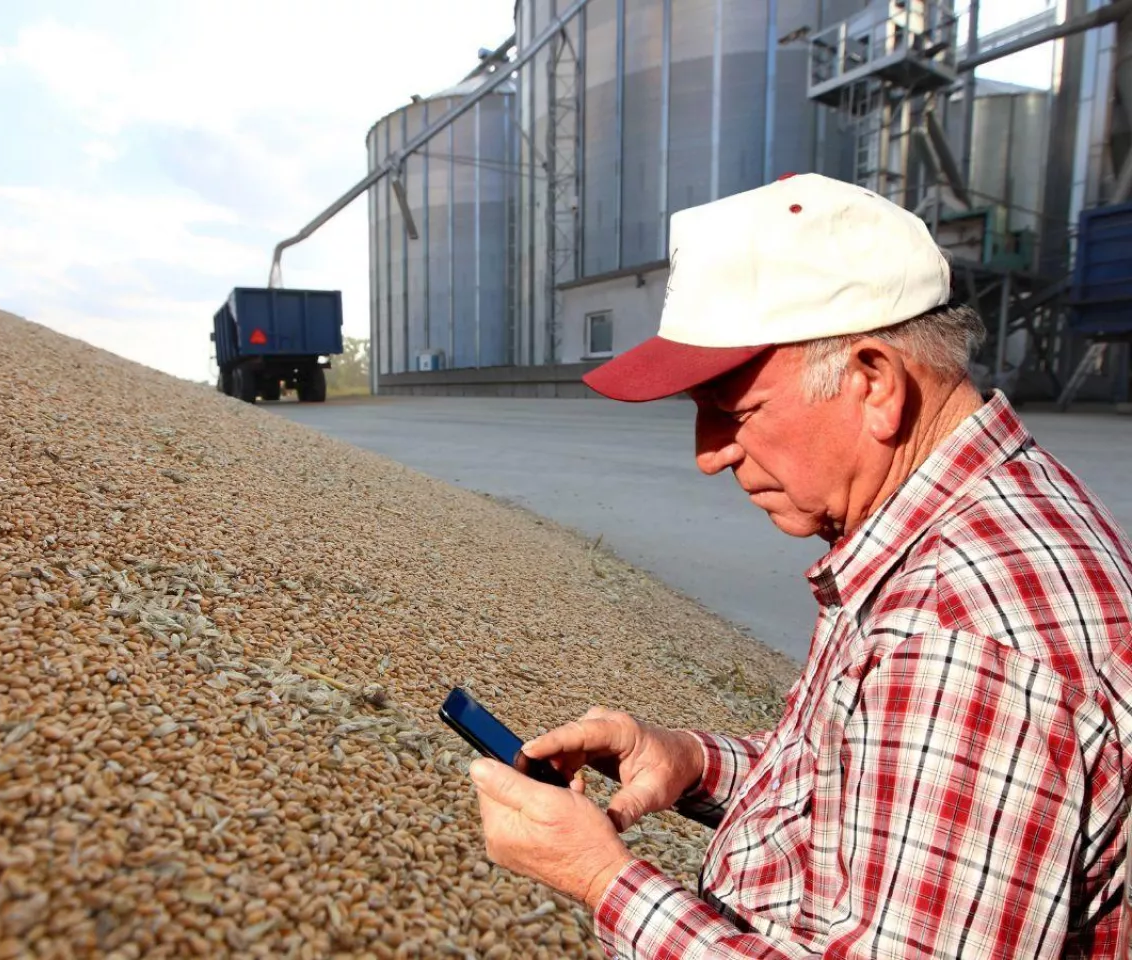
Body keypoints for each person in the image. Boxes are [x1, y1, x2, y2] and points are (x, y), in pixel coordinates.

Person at [468, 173, 1132, 958]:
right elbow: (856, 792)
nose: (709, 455)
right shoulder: (938, 526)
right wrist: (689, 759)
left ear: (873, 382)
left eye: (733, 410)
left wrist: (600, 879)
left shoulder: (965, 645)